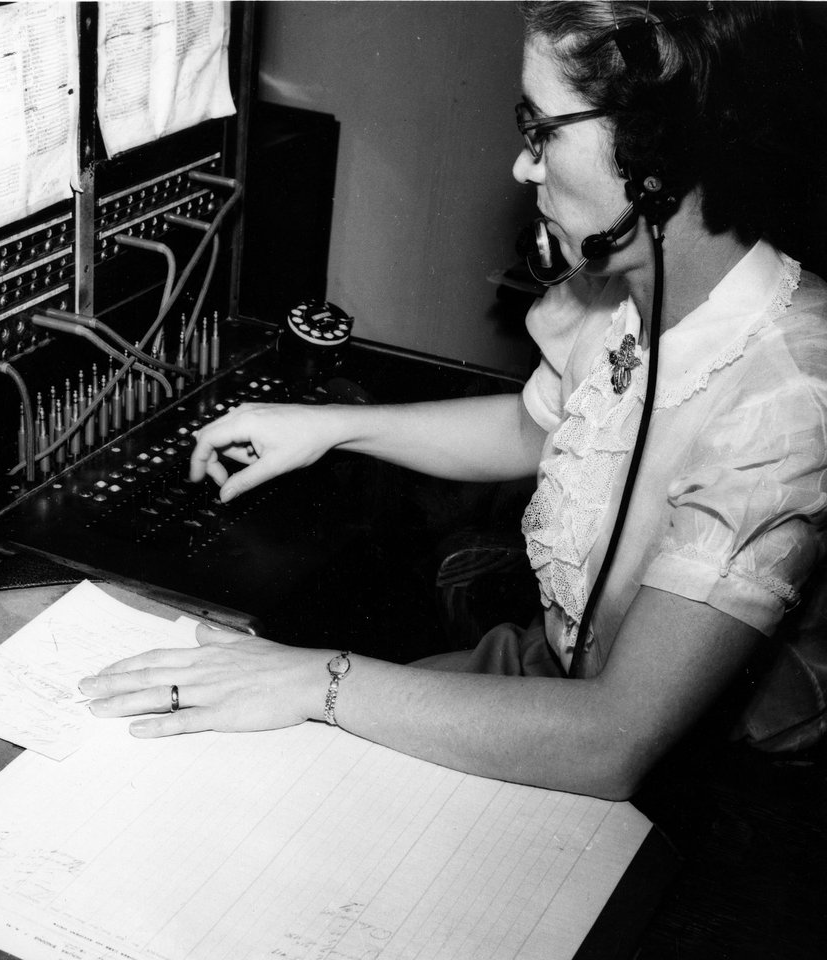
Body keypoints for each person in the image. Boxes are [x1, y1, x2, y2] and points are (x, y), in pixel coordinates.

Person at [78, 1, 827, 800]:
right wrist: (328, 428)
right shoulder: (623, 288)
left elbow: (616, 741)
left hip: (717, 780)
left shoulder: (787, 399)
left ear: (660, 158)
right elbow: (534, 427)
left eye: (543, 131)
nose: (523, 167)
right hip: (559, 676)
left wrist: (315, 681)